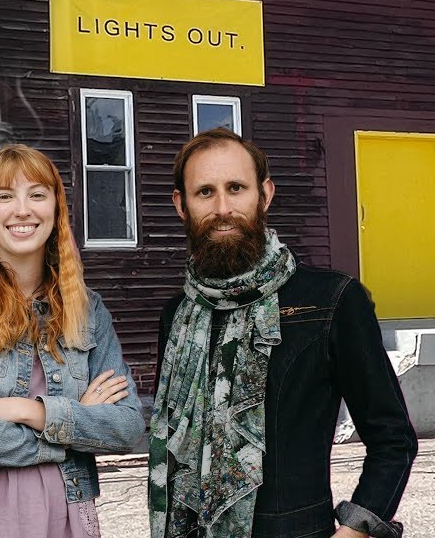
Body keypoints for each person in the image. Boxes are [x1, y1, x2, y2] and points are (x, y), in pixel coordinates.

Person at [150, 129, 417, 538]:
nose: (222, 207)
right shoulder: (178, 315)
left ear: (265, 194)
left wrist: (357, 529)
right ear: (181, 205)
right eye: (205, 192)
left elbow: (393, 439)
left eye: (236, 188)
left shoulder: (331, 300)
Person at [0, 144, 144, 537]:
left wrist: (26, 410)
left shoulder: (89, 310)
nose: (22, 210)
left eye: (37, 195)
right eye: (5, 196)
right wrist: (73, 425)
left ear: (55, 211)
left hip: (66, 506)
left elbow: (126, 428)